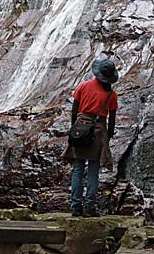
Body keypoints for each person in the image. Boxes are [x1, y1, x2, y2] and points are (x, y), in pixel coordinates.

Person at [62, 58, 119, 217]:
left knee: (78, 169)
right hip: (98, 130)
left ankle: (75, 207)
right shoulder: (111, 95)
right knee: (93, 170)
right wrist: (107, 138)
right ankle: (90, 207)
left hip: (80, 127)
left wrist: (75, 130)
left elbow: (74, 110)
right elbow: (112, 119)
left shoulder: (83, 86)